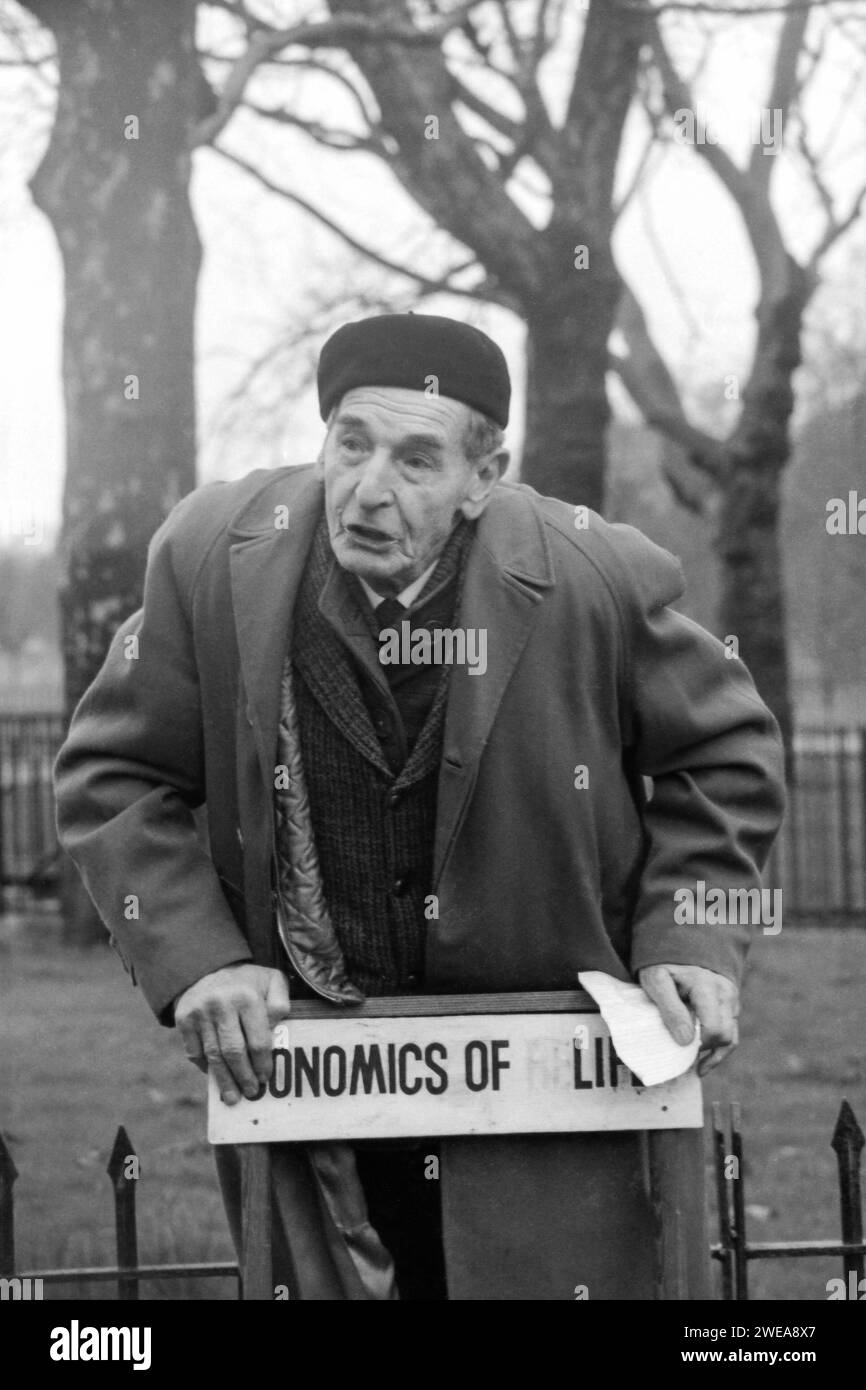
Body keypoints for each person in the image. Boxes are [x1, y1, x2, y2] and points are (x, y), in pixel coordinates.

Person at [54, 312, 786, 1300]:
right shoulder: (209, 555)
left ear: (483, 476)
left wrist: (685, 937)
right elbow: (116, 774)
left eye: (415, 459)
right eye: (349, 444)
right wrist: (201, 961)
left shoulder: (591, 571)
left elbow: (722, 747)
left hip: (538, 1079)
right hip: (314, 1080)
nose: (367, 490)